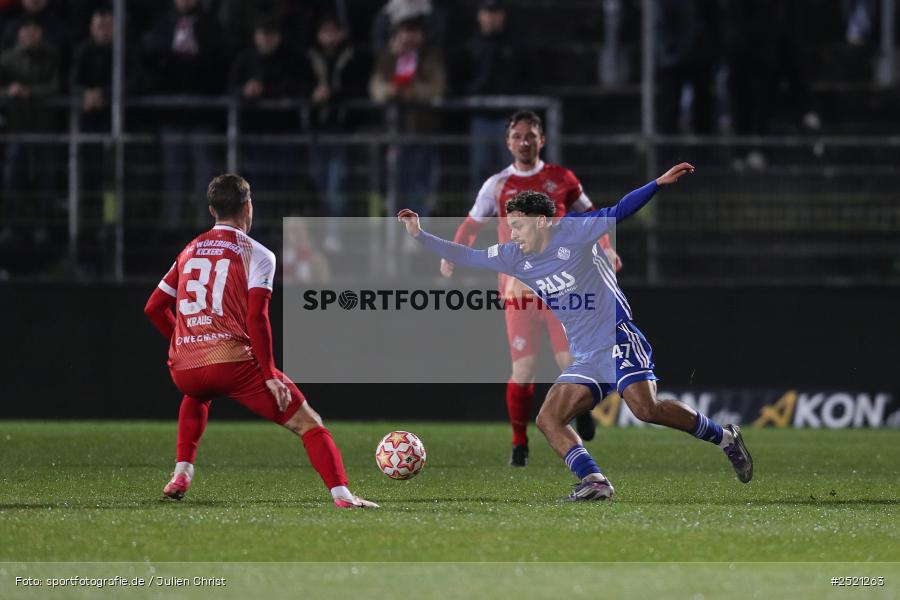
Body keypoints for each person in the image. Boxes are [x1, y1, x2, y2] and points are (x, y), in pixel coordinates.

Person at [399, 163, 754, 500]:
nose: (512, 233)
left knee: (646, 410)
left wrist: (658, 184)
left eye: (518, 225)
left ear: (541, 222)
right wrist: (419, 235)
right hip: (586, 354)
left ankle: (725, 438)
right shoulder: (512, 255)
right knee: (548, 419)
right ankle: (594, 481)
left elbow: (619, 210)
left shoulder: (575, 230)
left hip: (617, 337)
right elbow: (467, 256)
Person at [143, 174, 377, 509]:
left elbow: (153, 307)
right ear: (248, 206)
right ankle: (342, 495)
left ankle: (181, 473)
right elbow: (257, 319)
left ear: (212, 210)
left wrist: (183, 341)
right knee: (309, 424)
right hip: (233, 363)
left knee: (196, 394)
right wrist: (268, 374)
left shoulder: (189, 250)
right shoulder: (258, 254)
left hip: (186, 367)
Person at [441, 110, 622, 466]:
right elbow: (471, 224)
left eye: (531, 135)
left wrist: (607, 247)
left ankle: (579, 412)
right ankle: (519, 443)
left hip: (563, 287)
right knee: (523, 371)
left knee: (571, 362)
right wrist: (451, 254)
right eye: (517, 136)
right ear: (508, 142)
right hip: (520, 291)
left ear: (542, 139)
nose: (524, 142)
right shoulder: (496, 185)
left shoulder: (562, 178)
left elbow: (592, 216)